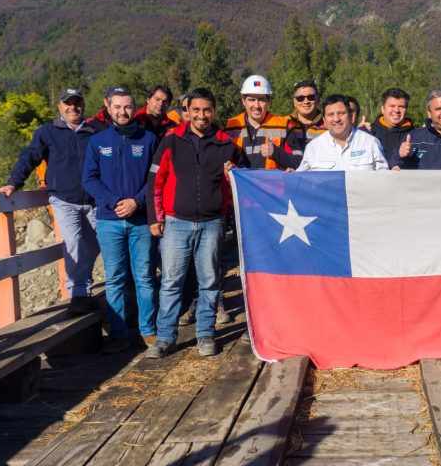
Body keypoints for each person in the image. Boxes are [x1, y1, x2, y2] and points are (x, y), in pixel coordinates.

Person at [146, 88, 239, 358]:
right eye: (196, 110)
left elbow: (239, 182)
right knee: (171, 282)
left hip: (212, 222)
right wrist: (155, 217)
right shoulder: (171, 140)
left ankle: (206, 334)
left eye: (207, 110)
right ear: (187, 111)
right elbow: (155, 179)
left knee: (210, 281)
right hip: (176, 222)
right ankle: (165, 338)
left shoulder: (226, 143)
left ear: (214, 111)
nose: (202, 115)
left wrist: (232, 175)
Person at [0, 89, 99, 315]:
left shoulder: (94, 131)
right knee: (74, 243)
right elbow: (29, 156)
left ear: (83, 105)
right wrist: (14, 182)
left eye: (77, 103)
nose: (73, 107)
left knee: (94, 246)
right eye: (68, 103)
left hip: (93, 200)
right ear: (60, 107)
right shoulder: (48, 131)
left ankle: (85, 286)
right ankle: (78, 295)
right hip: (63, 199)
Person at [82, 89, 159, 353]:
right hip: (109, 219)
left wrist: (137, 201)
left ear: (134, 108)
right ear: (107, 107)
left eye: (127, 107)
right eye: (117, 107)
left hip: (140, 220)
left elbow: (156, 177)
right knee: (114, 278)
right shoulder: (97, 141)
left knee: (144, 277)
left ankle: (147, 330)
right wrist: (114, 201)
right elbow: (89, 178)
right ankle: (118, 334)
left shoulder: (149, 139)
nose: (122, 112)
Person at [297, 95, 389, 171]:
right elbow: (300, 181)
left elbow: (383, 178)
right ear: (324, 120)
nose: (336, 119)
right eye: (330, 115)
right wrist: (288, 177)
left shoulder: (371, 143)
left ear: (350, 116)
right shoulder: (313, 148)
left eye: (341, 113)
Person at [225, 75, 295, 170]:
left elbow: (298, 162)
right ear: (243, 100)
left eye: (262, 100)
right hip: (241, 184)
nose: (256, 105)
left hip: (272, 184)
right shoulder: (231, 126)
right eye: (251, 100)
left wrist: (276, 152)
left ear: (269, 100)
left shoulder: (284, 125)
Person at [272, 79, 326, 170]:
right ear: (294, 102)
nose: (306, 102)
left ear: (318, 99)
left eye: (311, 97)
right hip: (289, 179)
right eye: (300, 98)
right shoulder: (283, 123)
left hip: (319, 179)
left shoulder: (329, 124)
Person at [369, 88, 414, 159]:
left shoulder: (416, 134)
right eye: (392, 106)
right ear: (383, 109)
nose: (397, 110)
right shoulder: (368, 132)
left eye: (401, 107)